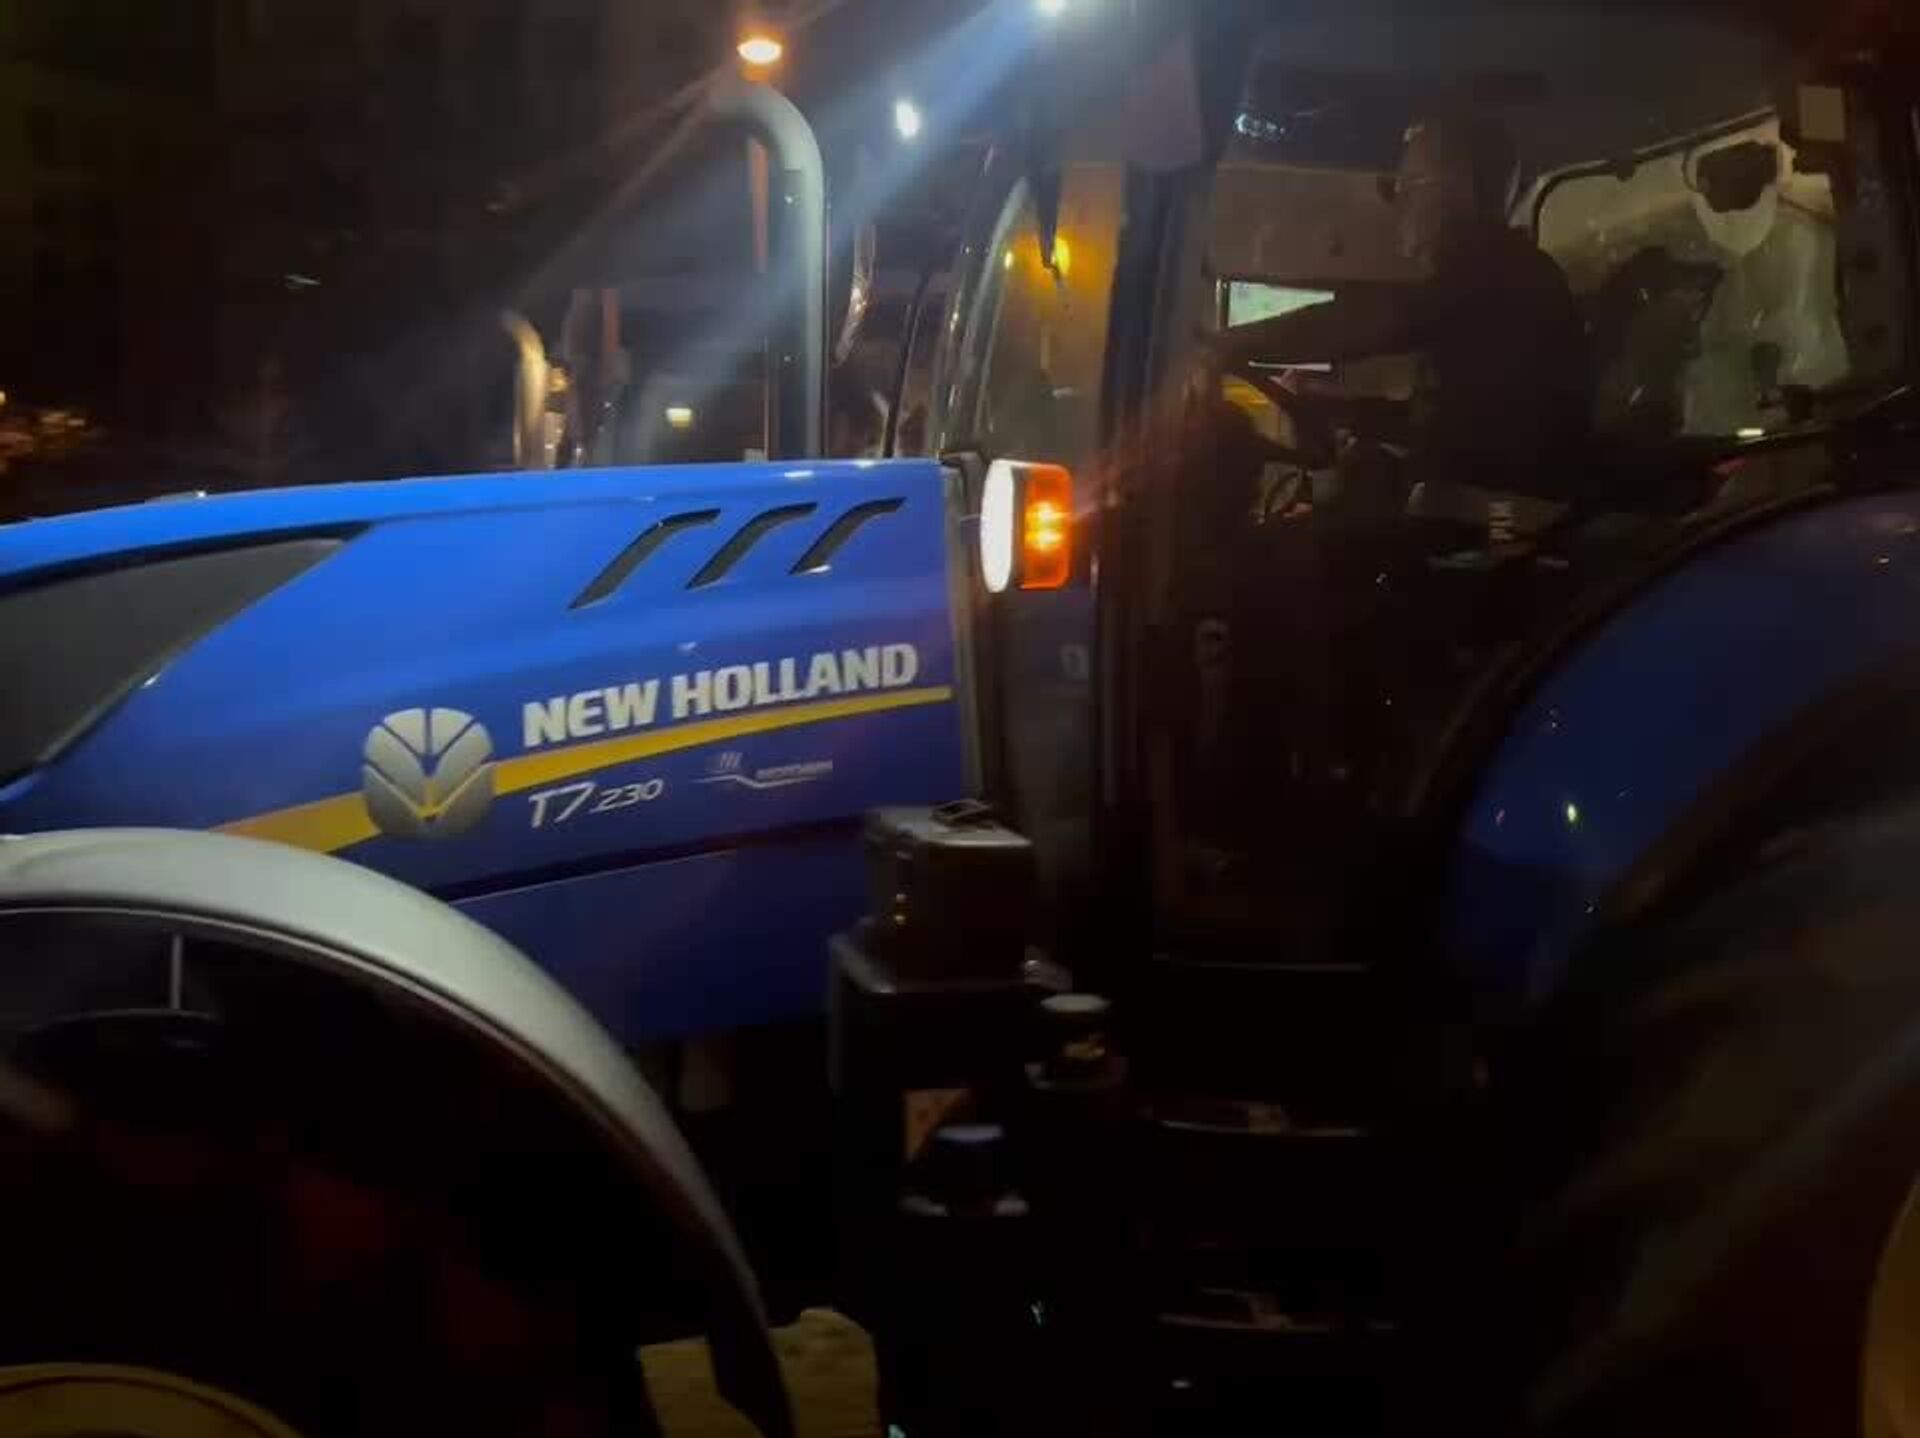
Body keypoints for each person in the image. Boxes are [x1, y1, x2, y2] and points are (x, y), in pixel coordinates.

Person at [1216, 108, 1588, 494]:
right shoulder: (1502, 276)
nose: (1399, 206)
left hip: (1499, 514)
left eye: (1407, 186)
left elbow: (1371, 321)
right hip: (1484, 503)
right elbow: (1433, 419)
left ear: (1459, 189)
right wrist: (1330, 408)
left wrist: (1231, 343)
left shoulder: (1498, 270)